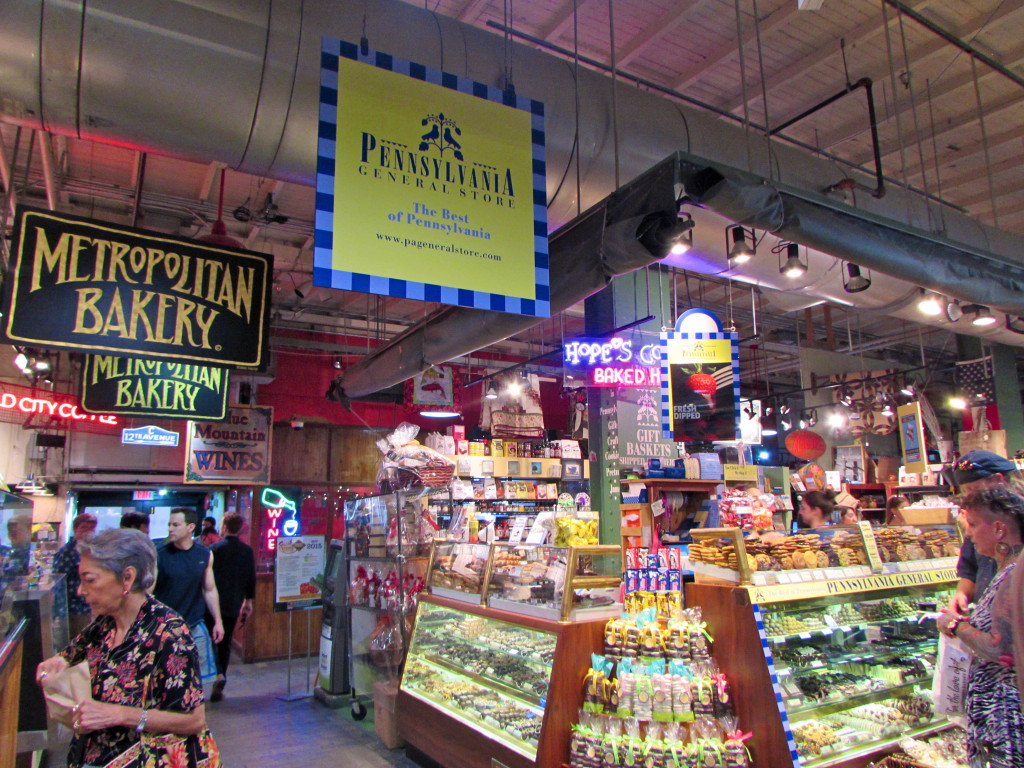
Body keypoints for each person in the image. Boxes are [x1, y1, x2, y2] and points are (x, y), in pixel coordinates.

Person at [35, 528, 220, 768]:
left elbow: (194, 720)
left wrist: (120, 714)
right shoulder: (104, 622)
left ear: (127, 578)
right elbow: (69, 656)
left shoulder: (169, 633)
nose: (80, 590)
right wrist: (56, 664)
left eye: (89, 580)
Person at [937, 488, 1024, 767]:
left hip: (1004, 714)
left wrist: (953, 625)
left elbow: (1000, 648)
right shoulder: (1008, 570)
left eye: (973, 525)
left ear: (999, 529)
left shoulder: (1013, 576)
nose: (969, 534)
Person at [945, 450, 1024, 611]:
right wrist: (961, 596)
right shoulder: (977, 522)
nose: (969, 496)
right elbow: (969, 570)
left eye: (974, 489)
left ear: (999, 480)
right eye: (965, 491)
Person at [154, 508, 224, 686]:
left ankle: (193, 707)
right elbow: (148, 592)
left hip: (193, 623)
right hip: (165, 626)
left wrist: (218, 621)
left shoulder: (204, 554)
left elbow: (209, 589)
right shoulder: (160, 555)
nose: (171, 529)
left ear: (190, 527)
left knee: (197, 675)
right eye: (169, 524)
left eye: (176, 525)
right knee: (167, 675)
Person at [206, 514, 255, 702]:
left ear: (224, 526)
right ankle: (221, 678)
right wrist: (248, 601)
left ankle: (216, 671)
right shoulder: (247, 551)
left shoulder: (214, 549)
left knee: (211, 639)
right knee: (225, 642)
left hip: (213, 603)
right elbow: (251, 578)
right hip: (234, 602)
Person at [51, 513, 98, 636]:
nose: (88, 531)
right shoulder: (67, 553)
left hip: (89, 607)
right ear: (75, 529)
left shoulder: (91, 552)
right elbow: (58, 583)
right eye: (84, 527)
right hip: (73, 610)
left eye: (91, 528)